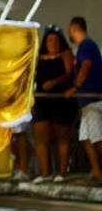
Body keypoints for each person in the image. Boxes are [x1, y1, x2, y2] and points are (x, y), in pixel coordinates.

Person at [31, 26, 78, 183]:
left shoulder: (65, 54)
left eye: (56, 40)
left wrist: (55, 82)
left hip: (61, 100)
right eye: (50, 40)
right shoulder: (39, 56)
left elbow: (70, 73)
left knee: (62, 138)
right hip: (42, 101)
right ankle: (45, 173)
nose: (53, 43)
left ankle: (62, 172)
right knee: (41, 138)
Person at [67, 16, 102, 182]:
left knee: (97, 138)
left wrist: (75, 87)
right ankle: (96, 172)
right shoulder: (86, 46)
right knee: (87, 138)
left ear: (74, 29)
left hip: (92, 99)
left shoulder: (86, 45)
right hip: (86, 102)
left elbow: (86, 66)